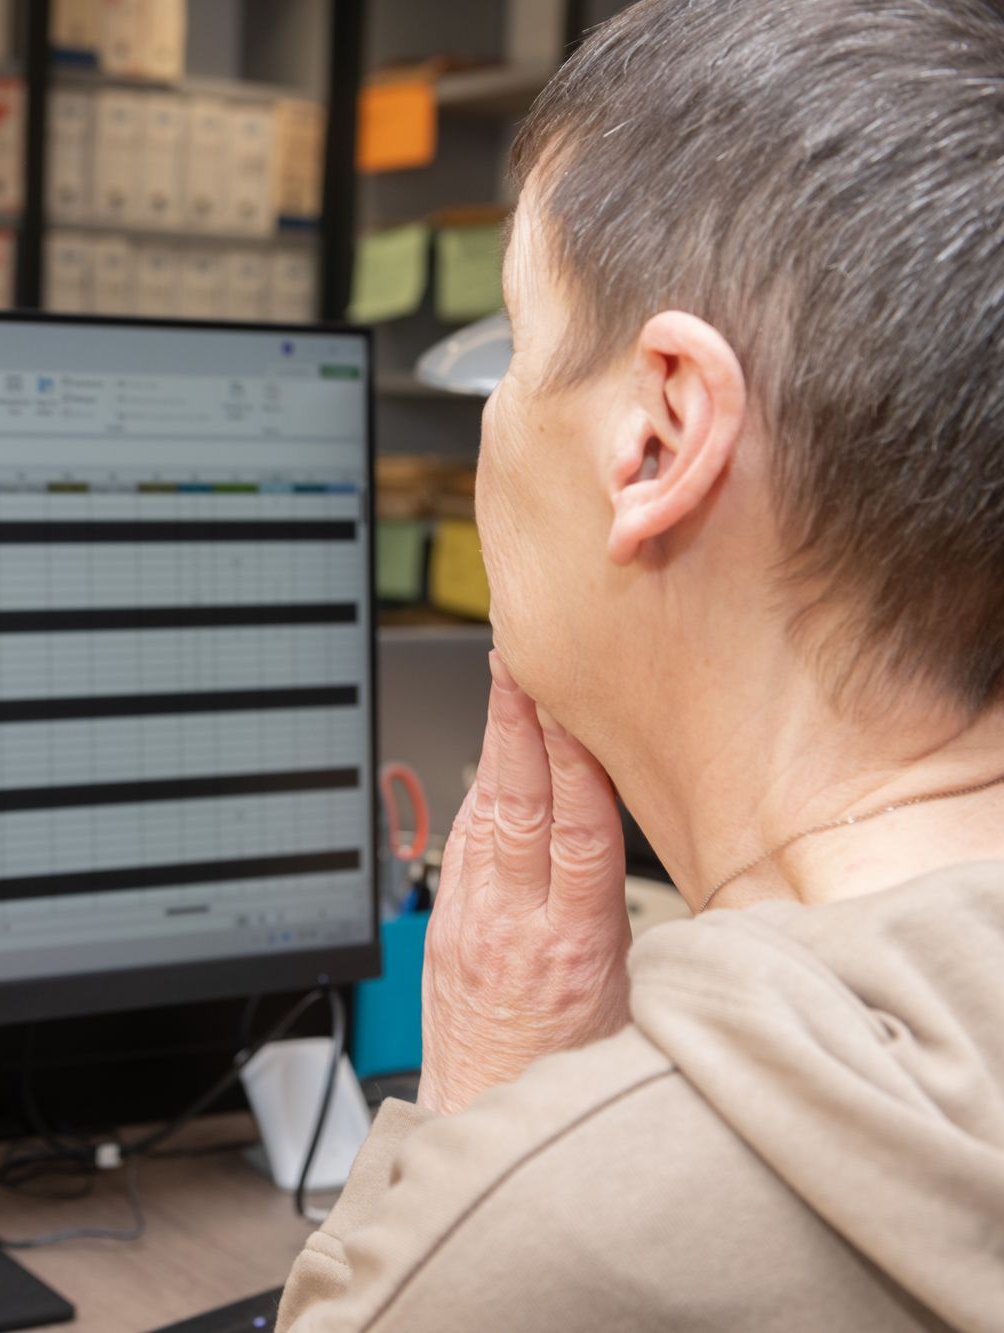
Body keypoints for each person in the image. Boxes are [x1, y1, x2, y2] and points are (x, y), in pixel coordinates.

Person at [280, 0, 1004, 1327]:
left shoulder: (569, 1226)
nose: (492, 422)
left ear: (662, 437)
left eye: (514, 341)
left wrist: (485, 1120)